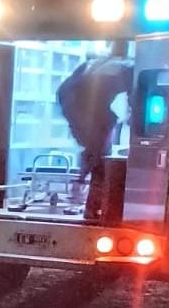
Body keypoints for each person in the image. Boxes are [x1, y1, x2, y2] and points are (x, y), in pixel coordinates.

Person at [57, 41, 133, 220]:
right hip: (79, 103)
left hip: (69, 98)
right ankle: (90, 198)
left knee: (99, 143)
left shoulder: (98, 62)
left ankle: (87, 188)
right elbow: (135, 100)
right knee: (99, 151)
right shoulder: (130, 67)